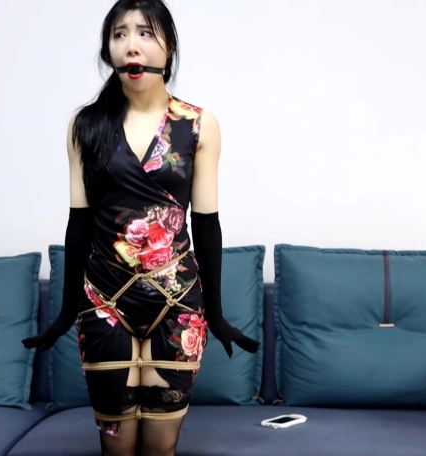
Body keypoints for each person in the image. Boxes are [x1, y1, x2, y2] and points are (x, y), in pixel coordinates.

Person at [21, 1, 260, 455]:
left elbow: (206, 224)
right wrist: (66, 311)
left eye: (145, 33)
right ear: (108, 50)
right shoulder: (85, 126)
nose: (132, 46)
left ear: (169, 47)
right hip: (103, 301)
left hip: (178, 303)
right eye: (120, 34)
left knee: (159, 446)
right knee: (117, 447)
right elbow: (79, 221)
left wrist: (217, 313)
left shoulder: (198, 125)